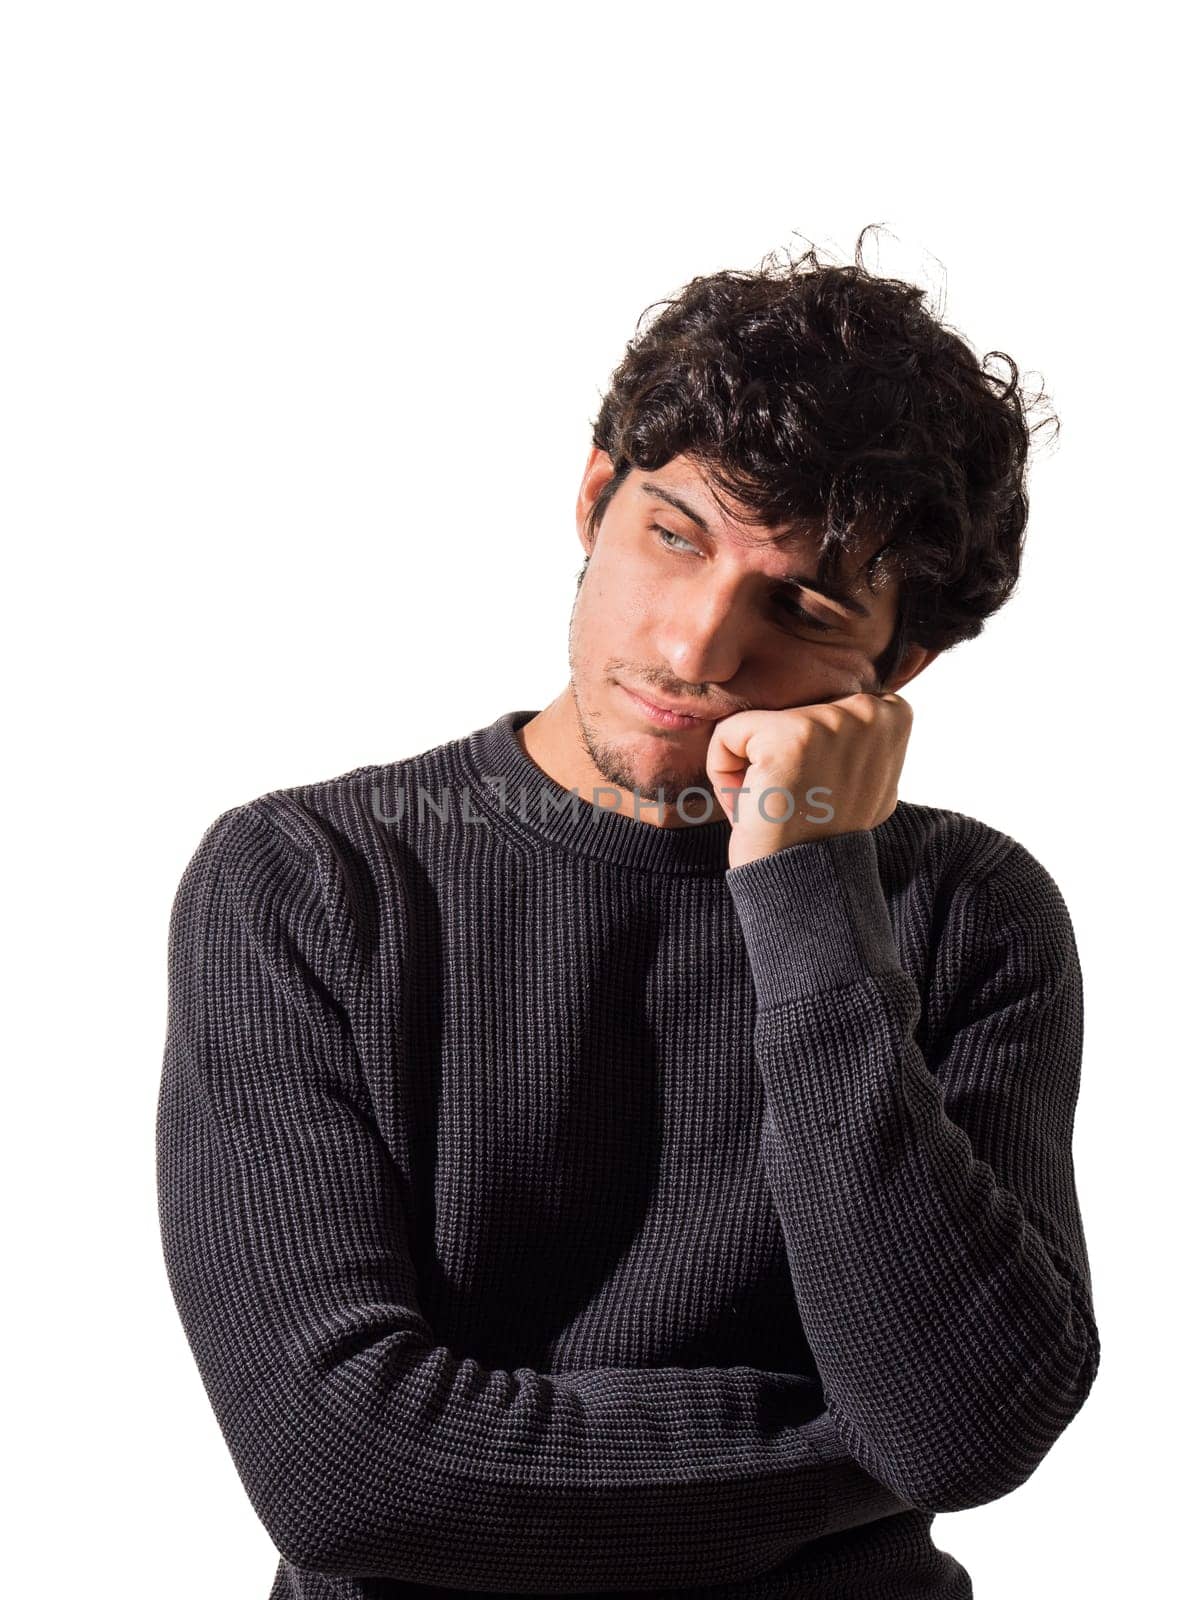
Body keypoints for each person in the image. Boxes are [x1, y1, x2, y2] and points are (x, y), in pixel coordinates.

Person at [156, 226, 1100, 1600]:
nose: (698, 648)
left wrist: (806, 886)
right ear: (596, 496)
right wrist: (843, 1446)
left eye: (802, 605)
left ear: (901, 663)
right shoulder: (309, 879)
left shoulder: (969, 913)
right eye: (676, 536)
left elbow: (962, 1429)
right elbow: (338, 1471)